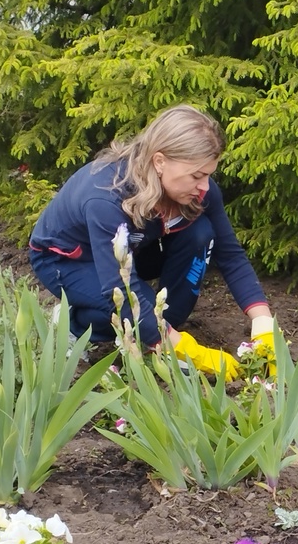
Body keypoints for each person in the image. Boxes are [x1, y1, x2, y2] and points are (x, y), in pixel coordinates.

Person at [28, 105, 274, 378]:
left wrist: (263, 322)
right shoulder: (106, 196)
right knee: (125, 308)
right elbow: (119, 290)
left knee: (200, 232)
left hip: (131, 249)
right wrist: (192, 352)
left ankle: (160, 335)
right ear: (159, 161)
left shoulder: (195, 191)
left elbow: (230, 254)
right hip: (68, 258)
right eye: (196, 175)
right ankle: (71, 324)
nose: (205, 186)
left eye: (208, 174)